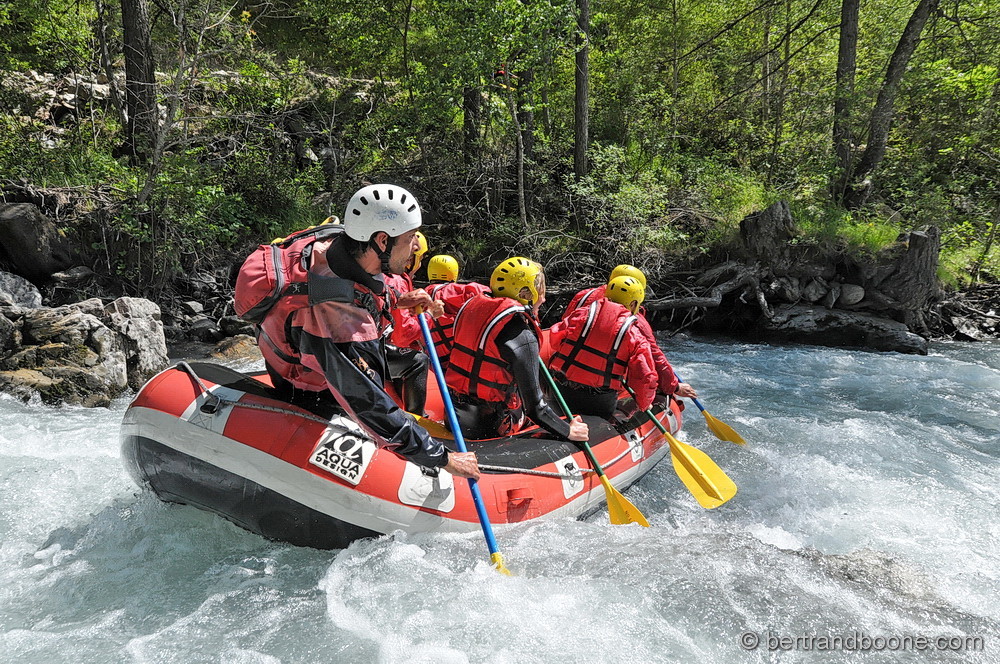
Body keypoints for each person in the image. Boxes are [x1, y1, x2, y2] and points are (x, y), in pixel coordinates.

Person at [259, 184, 479, 479]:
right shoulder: (343, 323)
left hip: (284, 349)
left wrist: (397, 300)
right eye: (411, 238)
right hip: (303, 388)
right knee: (380, 407)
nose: (416, 246)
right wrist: (441, 458)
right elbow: (371, 403)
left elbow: (357, 285)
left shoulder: (332, 242)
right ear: (382, 240)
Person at [445, 257, 589, 442]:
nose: (543, 299)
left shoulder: (471, 311)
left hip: (454, 415)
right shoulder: (523, 336)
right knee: (544, 405)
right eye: (540, 292)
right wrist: (569, 431)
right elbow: (536, 410)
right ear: (526, 294)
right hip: (491, 427)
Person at [562, 264, 697, 401]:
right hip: (602, 389)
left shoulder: (584, 296)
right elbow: (651, 360)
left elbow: (561, 331)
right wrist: (674, 387)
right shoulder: (634, 323)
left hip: (564, 375)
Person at [546, 275, 658, 420]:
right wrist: (644, 403)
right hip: (599, 401)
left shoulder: (582, 314)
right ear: (633, 304)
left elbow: (555, 340)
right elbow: (645, 376)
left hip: (561, 390)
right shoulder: (634, 334)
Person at [381, 231, 440, 414]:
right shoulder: (397, 281)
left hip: (378, 343)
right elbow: (402, 336)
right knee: (419, 361)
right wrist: (430, 314)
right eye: (419, 257)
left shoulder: (392, 278)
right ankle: (417, 417)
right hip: (381, 348)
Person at [423, 254, 490, 367]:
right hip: (458, 363)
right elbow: (482, 292)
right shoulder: (455, 291)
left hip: (435, 363)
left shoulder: (421, 295)